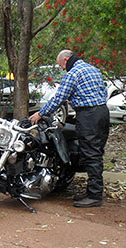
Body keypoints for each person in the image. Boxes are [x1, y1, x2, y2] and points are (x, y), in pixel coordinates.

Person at [29, 49, 109, 208]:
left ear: (66, 59)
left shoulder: (73, 73)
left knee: (91, 153)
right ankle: (93, 191)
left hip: (88, 115)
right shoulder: (92, 69)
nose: (63, 69)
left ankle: (95, 196)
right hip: (102, 112)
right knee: (96, 151)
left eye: (61, 66)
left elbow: (59, 98)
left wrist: (40, 113)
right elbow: (102, 91)